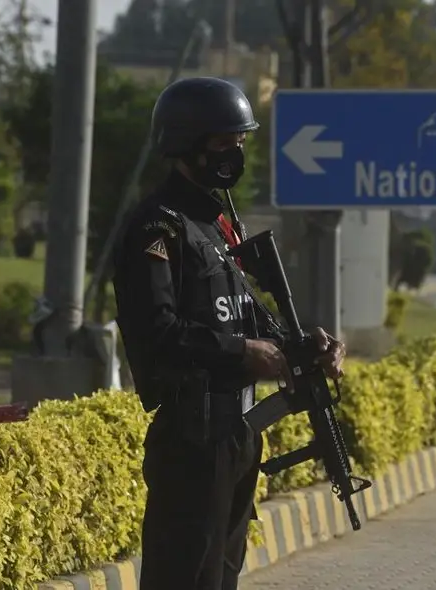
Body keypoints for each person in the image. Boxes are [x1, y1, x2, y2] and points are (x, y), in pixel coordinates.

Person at [112, 77, 346, 590]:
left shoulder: (216, 229)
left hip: (237, 433)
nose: (234, 154)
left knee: (220, 578)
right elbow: (159, 332)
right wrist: (242, 353)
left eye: (239, 143)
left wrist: (308, 346)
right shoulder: (160, 228)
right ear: (184, 144)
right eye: (223, 144)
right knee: (183, 578)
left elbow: (245, 317)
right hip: (192, 436)